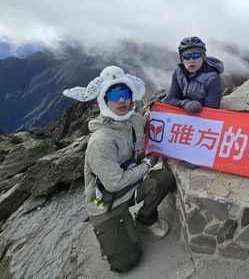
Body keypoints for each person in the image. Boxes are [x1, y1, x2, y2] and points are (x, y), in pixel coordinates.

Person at [63, 66, 174, 273]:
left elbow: (152, 126)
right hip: (105, 201)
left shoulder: (134, 121)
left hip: (129, 186)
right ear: (103, 100)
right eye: (114, 95)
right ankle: (120, 229)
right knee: (126, 263)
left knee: (164, 178)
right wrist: (147, 165)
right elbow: (114, 183)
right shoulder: (101, 141)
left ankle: (145, 220)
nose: (121, 100)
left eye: (125, 94)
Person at [165, 36, 224, 113]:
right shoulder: (178, 72)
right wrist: (184, 104)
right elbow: (170, 99)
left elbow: (211, 111)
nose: (191, 60)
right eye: (186, 57)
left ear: (203, 57)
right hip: (183, 111)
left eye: (196, 56)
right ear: (182, 59)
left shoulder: (213, 79)